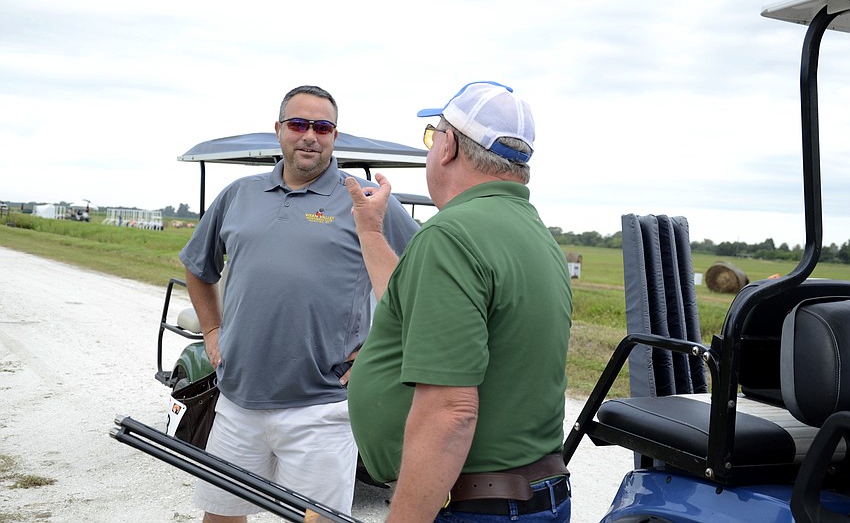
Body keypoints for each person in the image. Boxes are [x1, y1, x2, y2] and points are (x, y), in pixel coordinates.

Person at [179, 85, 420, 522]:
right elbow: (198, 266)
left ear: (334, 136)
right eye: (298, 124)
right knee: (221, 518)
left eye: (322, 127)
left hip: (322, 408)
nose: (310, 135)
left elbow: (425, 279)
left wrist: (381, 352)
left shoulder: (365, 200)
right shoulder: (239, 195)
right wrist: (212, 331)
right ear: (279, 131)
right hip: (237, 400)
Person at [345, 81, 573, 523]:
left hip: (474, 506)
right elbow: (422, 315)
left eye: (432, 135)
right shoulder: (535, 234)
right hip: (531, 496)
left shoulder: (451, 236)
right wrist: (371, 232)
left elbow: (451, 411)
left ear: (447, 145)